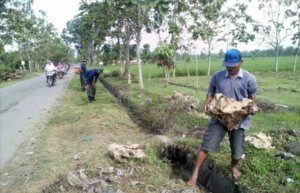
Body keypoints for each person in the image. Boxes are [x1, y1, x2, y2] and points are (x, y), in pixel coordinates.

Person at [187, 49, 258, 187]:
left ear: (241, 62)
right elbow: (210, 92)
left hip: (239, 120)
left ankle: (233, 167)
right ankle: (195, 173)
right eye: (228, 65)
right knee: (206, 145)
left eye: (234, 66)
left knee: (237, 151)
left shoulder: (249, 79)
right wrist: (207, 104)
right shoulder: (217, 76)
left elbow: (251, 99)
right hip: (220, 118)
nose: (231, 68)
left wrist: (253, 108)